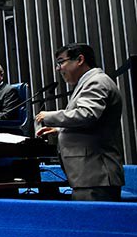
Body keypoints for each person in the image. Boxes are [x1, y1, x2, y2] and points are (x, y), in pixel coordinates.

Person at [35, 43, 124, 201]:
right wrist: (59, 131)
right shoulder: (87, 82)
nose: (58, 68)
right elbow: (92, 124)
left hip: (96, 175)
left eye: (61, 62)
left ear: (80, 59)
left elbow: (87, 114)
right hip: (89, 176)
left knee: (95, 223)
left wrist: (49, 116)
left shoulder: (96, 81)